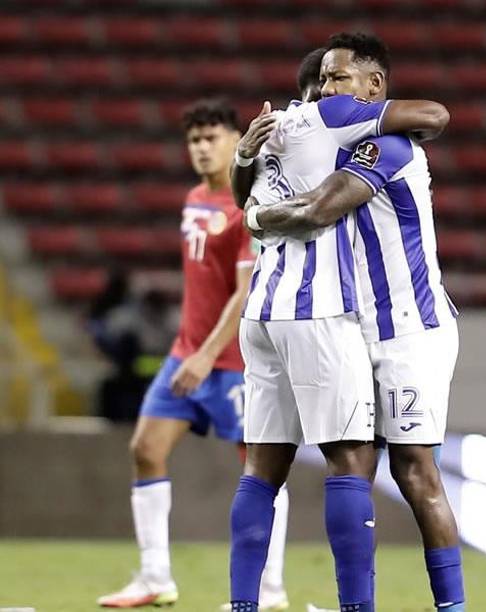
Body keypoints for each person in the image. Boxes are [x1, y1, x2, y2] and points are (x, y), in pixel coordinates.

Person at [241, 32, 466, 612]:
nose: (325, 89)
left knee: (416, 471)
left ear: (374, 86)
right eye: (321, 80)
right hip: (351, 322)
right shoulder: (337, 140)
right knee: (356, 462)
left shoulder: (388, 147)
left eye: (338, 78)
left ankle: (453, 606)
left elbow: (320, 206)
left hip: (409, 327)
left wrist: (259, 217)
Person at [96, 99, 291, 611]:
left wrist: (207, 355)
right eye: (194, 140)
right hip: (186, 354)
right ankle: (155, 577)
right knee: (145, 449)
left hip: (232, 363)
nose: (202, 148)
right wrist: (193, 350)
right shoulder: (193, 200)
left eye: (212, 137)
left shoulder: (248, 207)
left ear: (236, 140)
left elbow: (244, 293)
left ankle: (269, 590)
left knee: (260, 469)